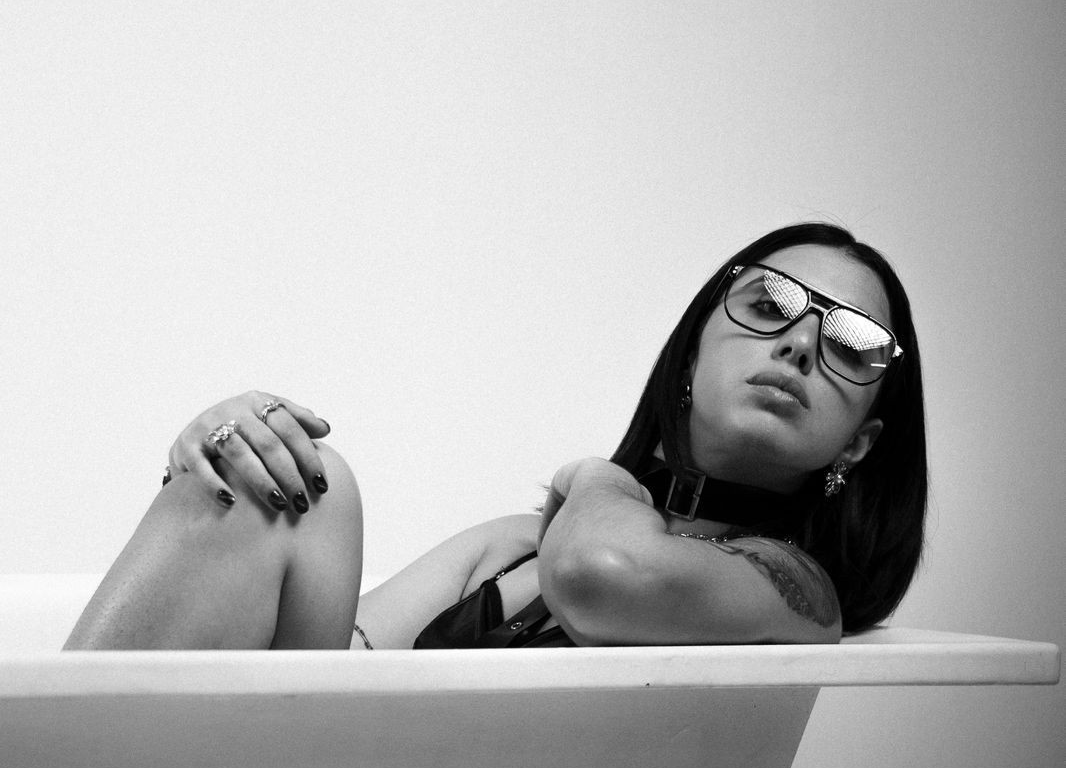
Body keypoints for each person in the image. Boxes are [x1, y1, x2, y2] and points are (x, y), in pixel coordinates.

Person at [64, 222, 927, 652]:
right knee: (293, 482)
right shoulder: (515, 546)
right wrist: (226, 445)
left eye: (852, 342)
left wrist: (600, 476)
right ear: (689, 361)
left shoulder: (796, 593)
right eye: (770, 303)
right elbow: (338, 667)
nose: (799, 342)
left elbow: (604, 572)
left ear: (859, 444)